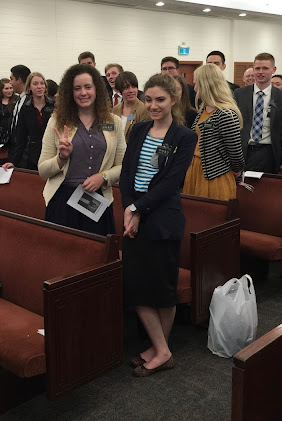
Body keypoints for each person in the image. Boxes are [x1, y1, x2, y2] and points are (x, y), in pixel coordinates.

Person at [119, 73, 197, 377]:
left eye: (160, 100)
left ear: (173, 100)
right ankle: (162, 348)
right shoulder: (139, 129)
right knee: (136, 286)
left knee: (163, 289)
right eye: (149, 99)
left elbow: (170, 183)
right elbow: (127, 171)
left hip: (163, 219)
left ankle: (161, 350)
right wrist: (129, 206)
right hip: (135, 213)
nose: (153, 105)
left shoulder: (184, 137)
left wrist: (138, 208)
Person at [38, 63, 126, 235]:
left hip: (98, 201)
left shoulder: (113, 122)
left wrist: (103, 177)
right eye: (77, 88)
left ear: (97, 89)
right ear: (69, 92)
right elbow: (42, 170)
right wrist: (61, 158)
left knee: (97, 250)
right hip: (62, 202)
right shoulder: (56, 121)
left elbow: (123, 165)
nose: (83, 93)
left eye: (88, 87)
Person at [182, 64, 244, 200]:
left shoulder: (226, 113)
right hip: (195, 170)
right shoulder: (204, 110)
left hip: (215, 175)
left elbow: (235, 151)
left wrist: (237, 169)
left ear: (206, 85)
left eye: (197, 84)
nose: (195, 88)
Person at [233, 53, 282, 174]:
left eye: (265, 68)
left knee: (267, 185)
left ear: (273, 70)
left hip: (270, 152)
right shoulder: (239, 94)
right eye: (257, 68)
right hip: (244, 150)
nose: (260, 72)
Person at [4, 72, 54, 170]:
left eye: (42, 83)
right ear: (29, 87)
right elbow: (21, 139)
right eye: (35, 84)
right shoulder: (25, 109)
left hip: (51, 154)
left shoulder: (54, 106)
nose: (39, 87)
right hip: (32, 156)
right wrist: (14, 162)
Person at [112, 71, 150, 142]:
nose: (131, 90)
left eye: (134, 87)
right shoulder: (115, 110)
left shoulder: (144, 110)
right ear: (120, 91)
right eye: (126, 88)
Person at [9, 64, 31, 143]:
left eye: (11, 79)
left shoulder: (31, 101)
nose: (10, 82)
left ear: (19, 80)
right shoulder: (17, 100)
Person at [0, 77, 16, 147]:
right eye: (6, 88)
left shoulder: (17, 101)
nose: (9, 91)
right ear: (1, 90)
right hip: (0, 137)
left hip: (13, 136)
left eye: (11, 88)